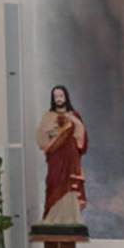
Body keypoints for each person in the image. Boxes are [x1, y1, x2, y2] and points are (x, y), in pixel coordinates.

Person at [35, 85, 88, 224]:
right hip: (55, 159)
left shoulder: (74, 116)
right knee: (54, 184)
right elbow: (42, 141)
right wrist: (48, 130)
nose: (58, 99)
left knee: (69, 186)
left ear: (66, 97)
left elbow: (81, 139)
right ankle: (52, 218)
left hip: (70, 159)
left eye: (61, 96)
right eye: (56, 96)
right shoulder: (48, 116)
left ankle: (70, 218)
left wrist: (74, 122)